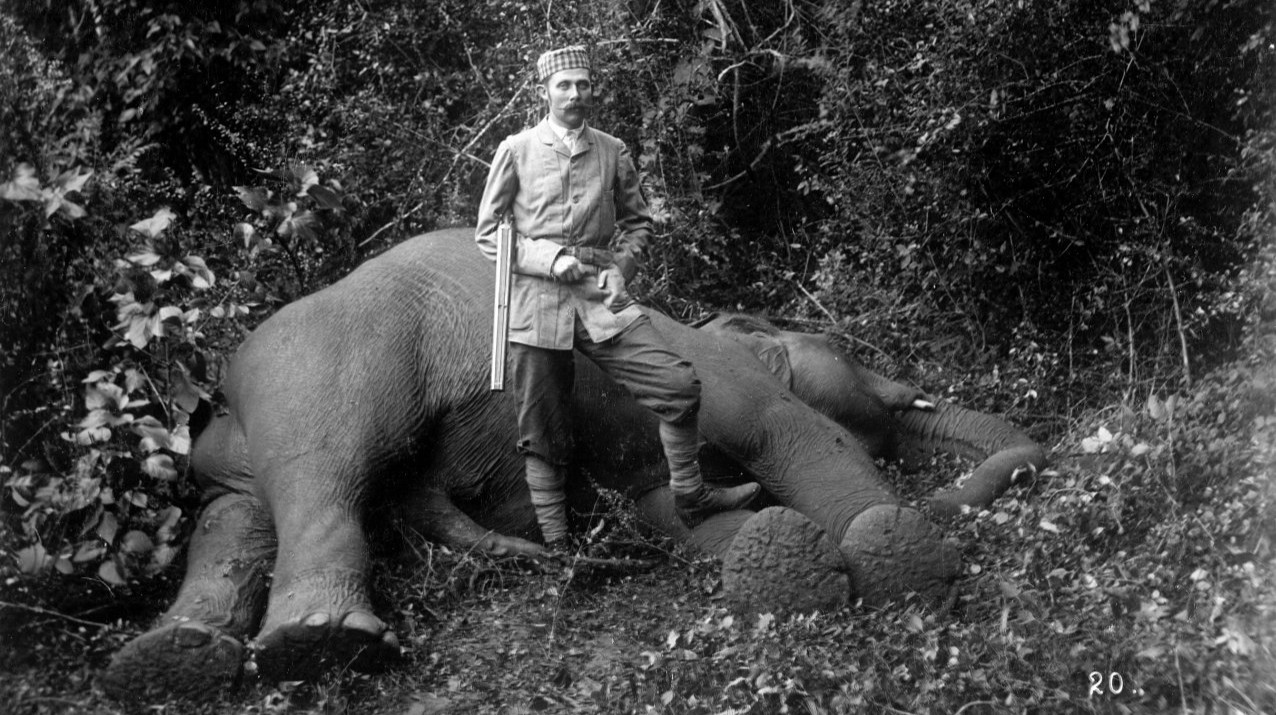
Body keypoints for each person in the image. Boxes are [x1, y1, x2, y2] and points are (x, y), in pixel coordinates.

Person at [475, 45, 758, 547]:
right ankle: (558, 546)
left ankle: (691, 495)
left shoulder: (611, 149)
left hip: (598, 294)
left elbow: (637, 223)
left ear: (592, 90)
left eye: (582, 84)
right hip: (535, 302)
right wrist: (548, 259)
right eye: (563, 86)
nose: (574, 94)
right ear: (544, 92)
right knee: (541, 426)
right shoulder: (515, 150)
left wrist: (622, 269)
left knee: (677, 385)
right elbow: (490, 233)